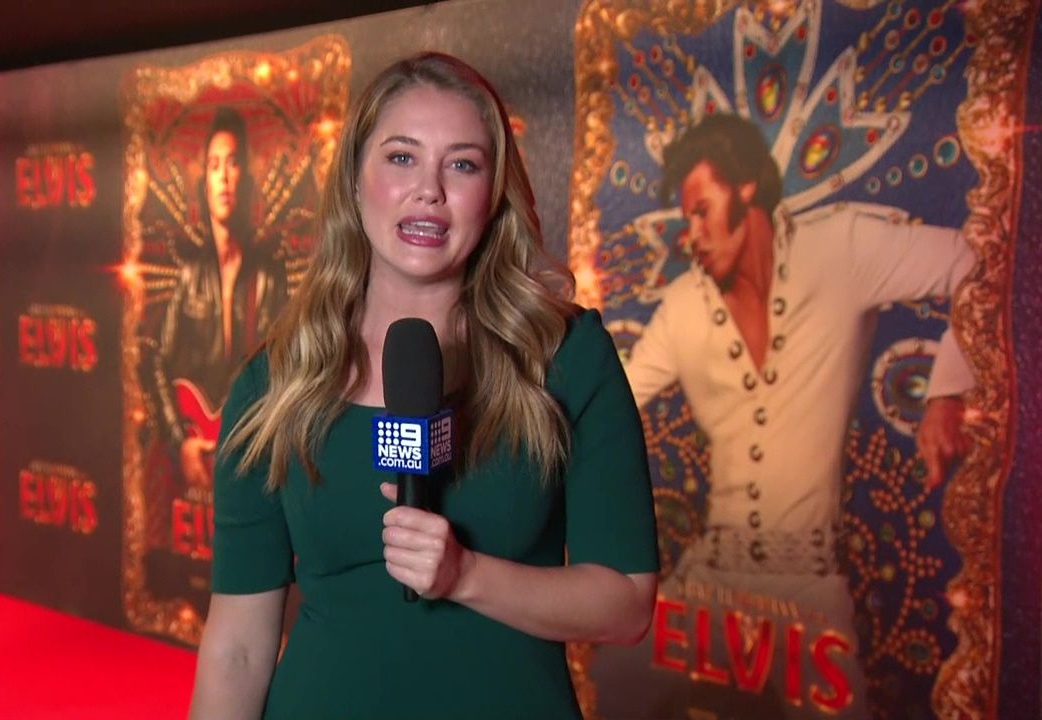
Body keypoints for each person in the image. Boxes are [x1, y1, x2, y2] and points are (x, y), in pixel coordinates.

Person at [188, 53, 659, 719]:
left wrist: (465, 575)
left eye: (462, 165)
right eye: (402, 158)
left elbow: (626, 605)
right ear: (355, 181)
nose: (429, 190)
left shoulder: (567, 357)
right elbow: (236, 647)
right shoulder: (274, 385)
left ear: (493, 195)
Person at [596, 114, 975, 719]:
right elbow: (615, 401)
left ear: (746, 186)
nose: (692, 235)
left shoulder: (841, 249)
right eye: (686, 219)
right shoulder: (683, 307)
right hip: (711, 579)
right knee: (608, 680)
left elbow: (971, 261)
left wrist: (947, 394)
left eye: (702, 211)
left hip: (808, 588)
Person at [152, 106, 288, 487]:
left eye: (232, 163)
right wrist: (180, 441)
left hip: (251, 456)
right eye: (214, 165)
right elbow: (158, 362)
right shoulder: (189, 276)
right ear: (205, 183)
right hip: (197, 451)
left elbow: (289, 374)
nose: (224, 177)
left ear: (245, 178)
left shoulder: (268, 278)